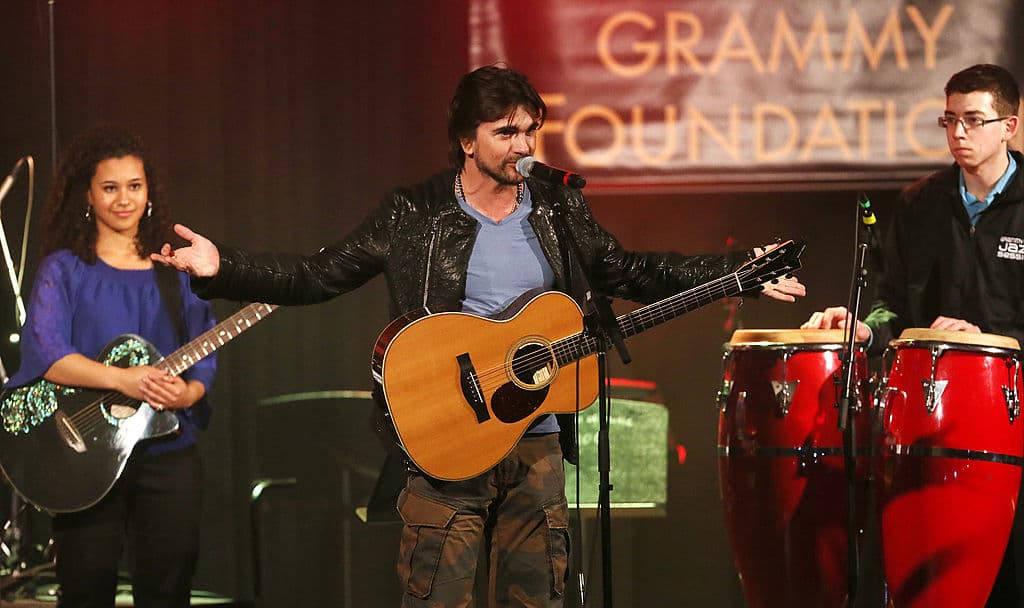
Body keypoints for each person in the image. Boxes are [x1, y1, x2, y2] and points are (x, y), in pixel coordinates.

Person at [152, 65, 805, 607]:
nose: (524, 145)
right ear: (467, 140)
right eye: (506, 132)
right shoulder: (415, 213)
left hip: (537, 448)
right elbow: (319, 275)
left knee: (536, 597)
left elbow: (632, 271)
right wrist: (224, 268)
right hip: (444, 441)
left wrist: (739, 273)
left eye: (531, 130)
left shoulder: (558, 208)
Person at [801, 63, 1022, 606]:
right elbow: (892, 306)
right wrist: (864, 331)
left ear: (1009, 126)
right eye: (949, 120)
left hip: (1012, 405)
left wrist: (987, 337)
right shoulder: (920, 203)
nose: (958, 134)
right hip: (929, 413)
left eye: (973, 120)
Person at [2, 125, 218, 607]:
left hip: (168, 451)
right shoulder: (64, 269)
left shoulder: (174, 268)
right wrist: (126, 379)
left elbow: (205, 347)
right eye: (110, 187)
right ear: (88, 194)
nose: (124, 199)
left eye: (134, 186)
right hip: (83, 457)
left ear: (149, 193)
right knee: (86, 587)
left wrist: (188, 394)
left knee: (168, 587)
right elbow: (49, 355)